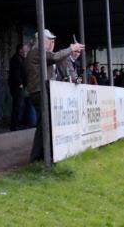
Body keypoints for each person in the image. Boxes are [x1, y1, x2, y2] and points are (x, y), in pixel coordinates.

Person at [25, 29, 84, 162]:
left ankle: (41, 156)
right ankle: (39, 157)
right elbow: (56, 57)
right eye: (50, 40)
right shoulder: (37, 51)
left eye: (52, 41)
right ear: (42, 40)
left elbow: (54, 57)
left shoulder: (37, 51)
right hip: (39, 91)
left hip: (39, 91)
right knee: (44, 125)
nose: (52, 43)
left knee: (44, 124)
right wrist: (71, 48)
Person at [8, 43, 28, 131]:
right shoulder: (16, 59)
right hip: (16, 86)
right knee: (17, 105)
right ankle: (15, 125)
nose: (26, 50)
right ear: (20, 50)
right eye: (24, 49)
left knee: (19, 105)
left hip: (19, 85)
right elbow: (15, 73)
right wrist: (20, 83)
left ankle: (17, 124)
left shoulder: (21, 59)